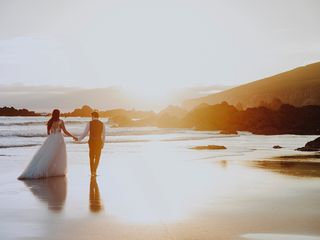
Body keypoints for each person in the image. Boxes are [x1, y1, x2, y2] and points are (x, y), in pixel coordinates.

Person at [18, 109, 77, 179]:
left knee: (48, 155)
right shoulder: (61, 121)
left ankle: (46, 170)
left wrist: (51, 138)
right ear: (58, 114)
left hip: (51, 139)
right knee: (57, 155)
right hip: (59, 139)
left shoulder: (50, 121)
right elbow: (65, 131)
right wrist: (73, 136)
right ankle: (52, 171)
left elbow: (48, 133)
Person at [78, 111, 105, 176]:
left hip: (92, 141)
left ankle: (92, 172)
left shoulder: (89, 123)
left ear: (93, 116)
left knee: (91, 157)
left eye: (91, 116)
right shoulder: (102, 124)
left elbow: (85, 133)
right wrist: (103, 144)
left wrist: (79, 139)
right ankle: (94, 171)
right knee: (98, 157)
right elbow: (103, 135)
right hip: (99, 142)